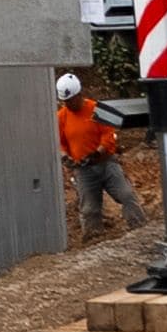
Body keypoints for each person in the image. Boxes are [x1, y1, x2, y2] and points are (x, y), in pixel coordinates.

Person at [57, 69, 144, 240]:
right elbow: (60, 142)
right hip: (84, 170)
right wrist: (65, 157)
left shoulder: (96, 110)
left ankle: (139, 228)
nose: (68, 105)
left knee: (126, 195)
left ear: (79, 95)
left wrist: (96, 153)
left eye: (70, 101)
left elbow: (108, 137)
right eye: (64, 102)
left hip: (106, 164)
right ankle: (93, 238)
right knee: (89, 209)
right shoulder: (62, 117)